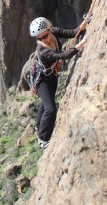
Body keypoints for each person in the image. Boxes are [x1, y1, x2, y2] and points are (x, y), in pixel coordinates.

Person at [29, 17, 86, 148]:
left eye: (45, 35)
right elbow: (63, 55)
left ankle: (39, 125)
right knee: (50, 108)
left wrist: (85, 22)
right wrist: (83, 43)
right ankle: (42, 139)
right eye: (40, 38)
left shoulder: (53, 32)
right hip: (42, 80)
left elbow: (73, 33)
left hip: (52, 76)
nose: (44, 39)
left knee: (46, 103)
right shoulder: (42, 50)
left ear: (49, 30)